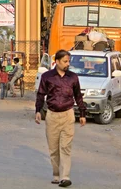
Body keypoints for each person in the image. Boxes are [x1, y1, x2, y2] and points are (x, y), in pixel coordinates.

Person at [36, 50, 87, 188]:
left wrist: (82, 114)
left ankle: (65, 177)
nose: (67, 64)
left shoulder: (73, 77)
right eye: (65, 61)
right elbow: (41, 94)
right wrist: (38, 111)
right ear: (57, 62)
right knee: (53, 149)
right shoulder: (47, 77)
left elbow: (78, 96)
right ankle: (56, 174)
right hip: (52, 115)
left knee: (65, 147)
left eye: (68, 61)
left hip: (68, 115)